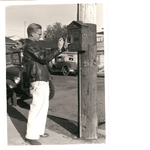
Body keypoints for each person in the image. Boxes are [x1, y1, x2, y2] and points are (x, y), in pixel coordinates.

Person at [23, 23, 68, 145]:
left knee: (43, 107)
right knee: (36, 107)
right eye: (39, 34)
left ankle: (39, 131)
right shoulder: (28, 46)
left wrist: (61, 48)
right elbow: (43, 58)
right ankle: (31, 136)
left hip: (42, 78)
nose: (40, 36)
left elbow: (45, 54)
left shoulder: (34, 45)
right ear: (32, 33)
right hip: (37, 78)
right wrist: (59, 48)